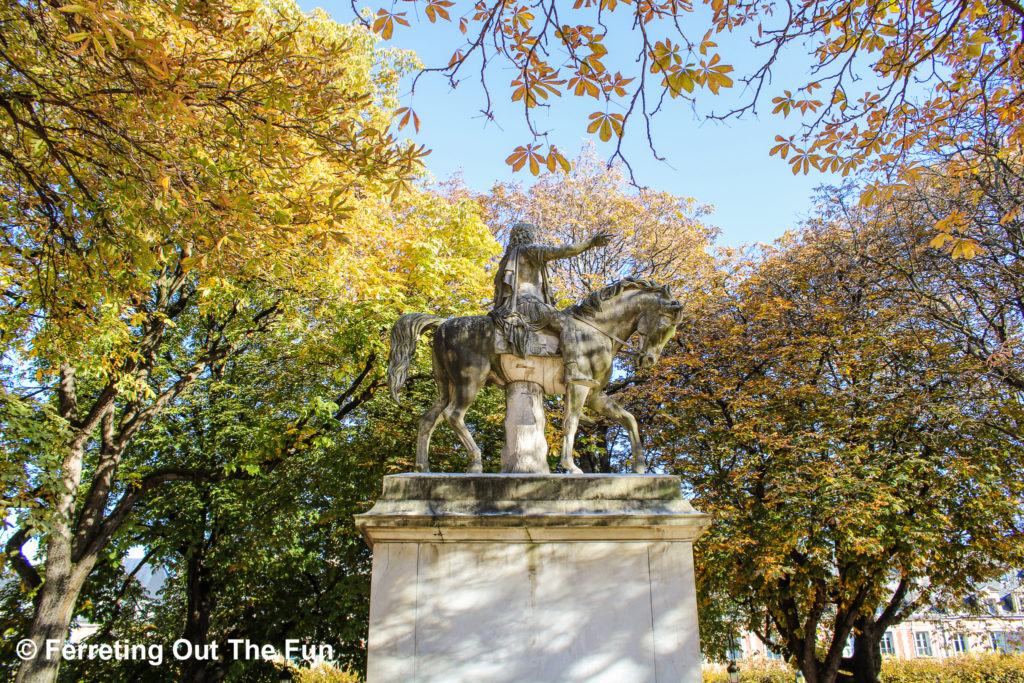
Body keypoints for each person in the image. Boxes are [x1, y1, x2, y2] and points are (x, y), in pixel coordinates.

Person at [491, 222, 614, 387]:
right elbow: (560, 251)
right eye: (532, 233)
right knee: (568, 325)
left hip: (513, 306)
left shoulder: (509, 257)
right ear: (526, 234)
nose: (533, 236)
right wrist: (589, 243)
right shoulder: (528, 250)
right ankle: (572, 370)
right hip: (528, 305)